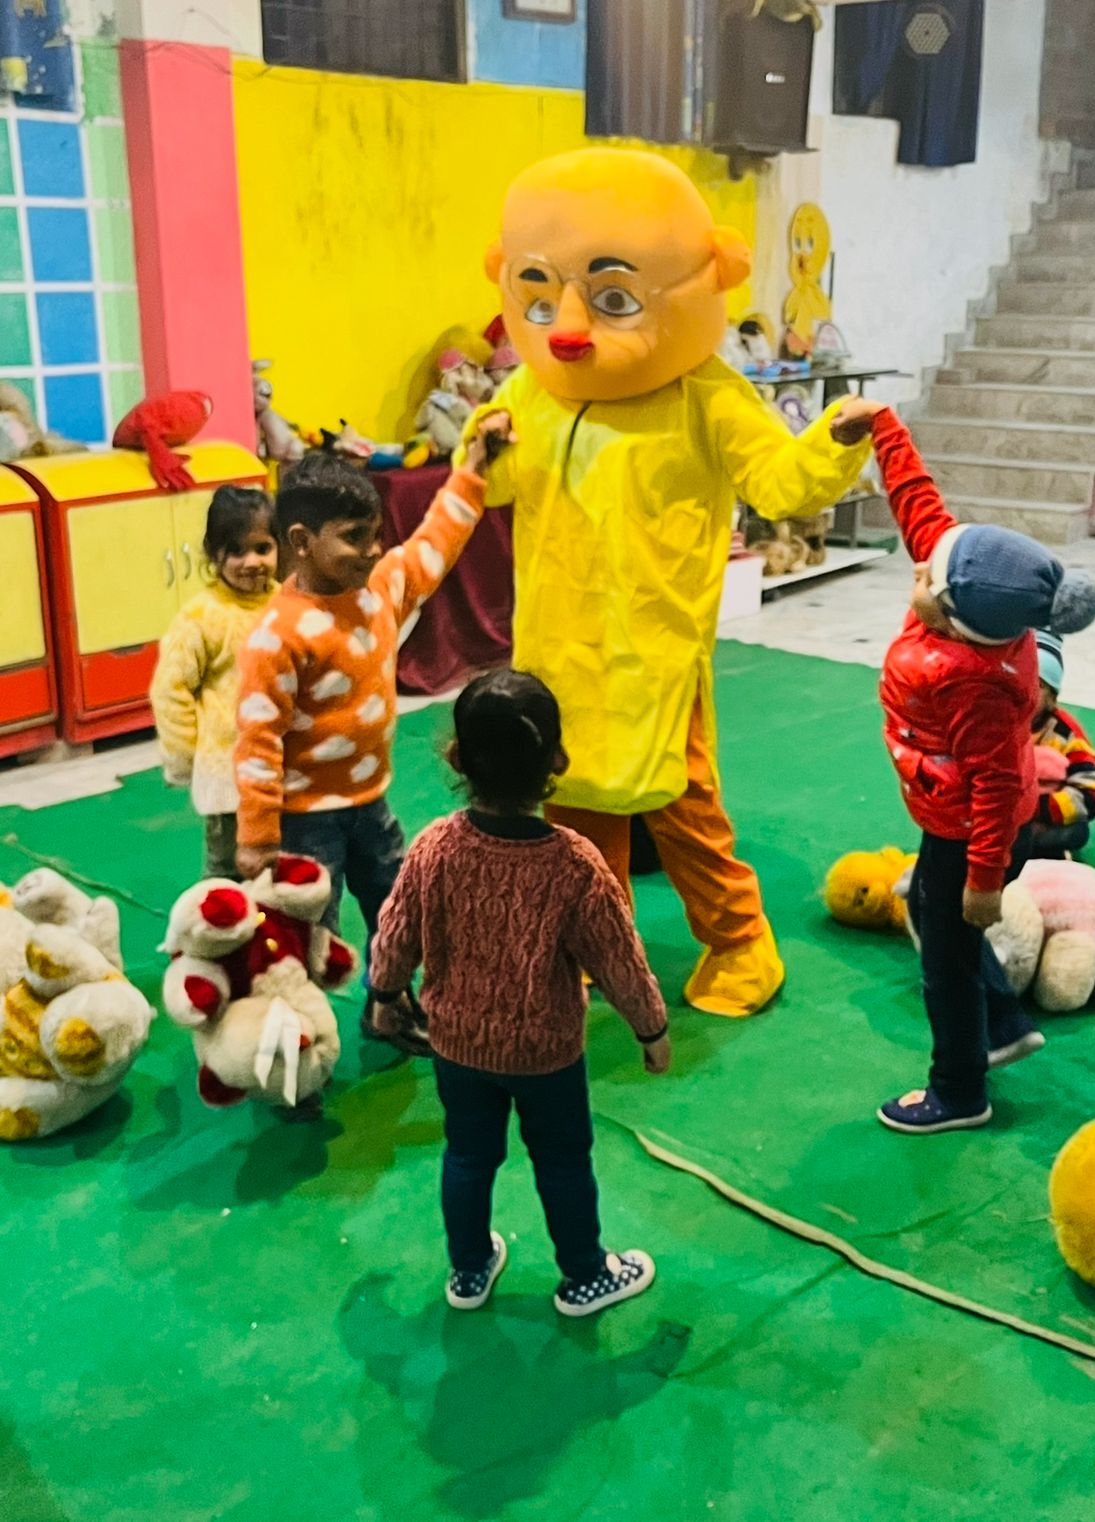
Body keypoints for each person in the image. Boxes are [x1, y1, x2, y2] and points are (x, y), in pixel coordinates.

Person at [460, 148, 872, 1019]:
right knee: (573, 805)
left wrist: (834, 438)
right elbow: (496, 484)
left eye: (612, 301)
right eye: (541, 301)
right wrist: (480, 448)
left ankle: (740, 941)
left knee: (682, 806)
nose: (569, 330)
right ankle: (590, 942)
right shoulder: (534, 392)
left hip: (656, 655)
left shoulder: (703, 396)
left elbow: (779, 482)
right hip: (557, 648)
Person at [830, 397, 1095, 1135]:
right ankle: (1003, 1021)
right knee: (926, 907)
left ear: (956, 620)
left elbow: (998, 787)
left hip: (974, 832)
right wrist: (883, 426)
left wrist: (984, 881)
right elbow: (920, 506)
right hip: (946, 813)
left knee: (945, 959)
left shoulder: (977, 683)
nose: (915, 573)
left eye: (926, 581)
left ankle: (958, 1089)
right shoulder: (961, 585)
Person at [370, 669, 671, 1316]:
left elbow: (395, 933)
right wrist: (651, 1028)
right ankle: (585, 1275)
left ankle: (469, 1270)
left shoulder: (433, 849)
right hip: (547, 1055)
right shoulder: (575, 864)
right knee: (563, 1162)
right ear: (557, 760)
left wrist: (385, 996)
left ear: (458, 758)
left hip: (457, 1046)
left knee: (467, 1156)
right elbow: (619, 959)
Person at [233, 414, 510, 1037]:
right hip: (304, 819)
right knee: (308, 930)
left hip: (370, 803)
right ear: (301, 541)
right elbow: (257, 742)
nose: (373, 550)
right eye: (355, 538)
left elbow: (436, 541)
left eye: (376, 535)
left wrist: (472, 471)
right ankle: (298, 1033)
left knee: (398, 909)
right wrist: (256, 836)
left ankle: (387, 1005)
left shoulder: (379, 589)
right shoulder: (277, 635)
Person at [150, 486, 278, 877]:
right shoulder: (201, 617)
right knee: (228, 877)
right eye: (236, 551)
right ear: (212, 554)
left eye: (262, 548)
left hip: (285, 773)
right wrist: (185, 758)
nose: (251, 562)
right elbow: (171, 689)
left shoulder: (289, 605)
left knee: (285, 874)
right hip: (228, 780)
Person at [1031, 629, 1095, 859]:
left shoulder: (1067, 734)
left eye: (1038, 685)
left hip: (1041, 817)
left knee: (1075, 832)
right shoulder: (994, 721)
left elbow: (1093, 794)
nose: (1026, 691)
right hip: (999, 815)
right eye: (1020, 681)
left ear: (1052, 697)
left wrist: (1038, 807)